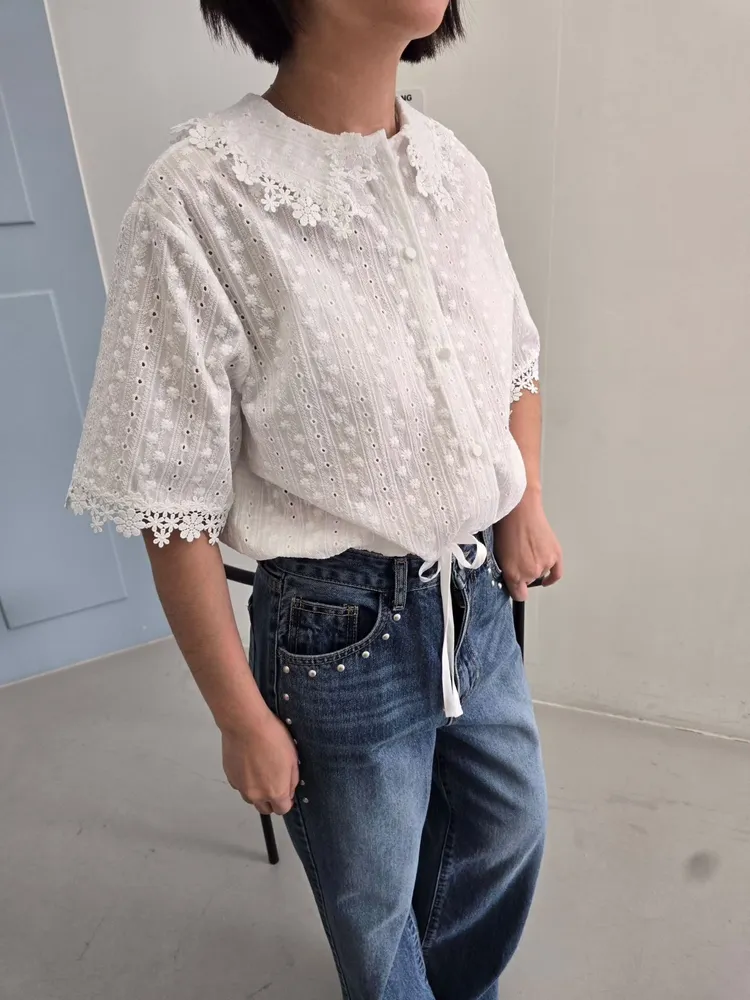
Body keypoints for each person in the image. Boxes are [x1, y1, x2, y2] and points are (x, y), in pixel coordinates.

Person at [67, 1, 563, 997]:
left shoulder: (451, 170)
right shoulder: (200, 197)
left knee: (507, 830)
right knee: (371, 901)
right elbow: (171, 498)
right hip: (335, 631)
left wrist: (524, 503)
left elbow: (513, 362)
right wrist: (237, 715)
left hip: (476, 602)